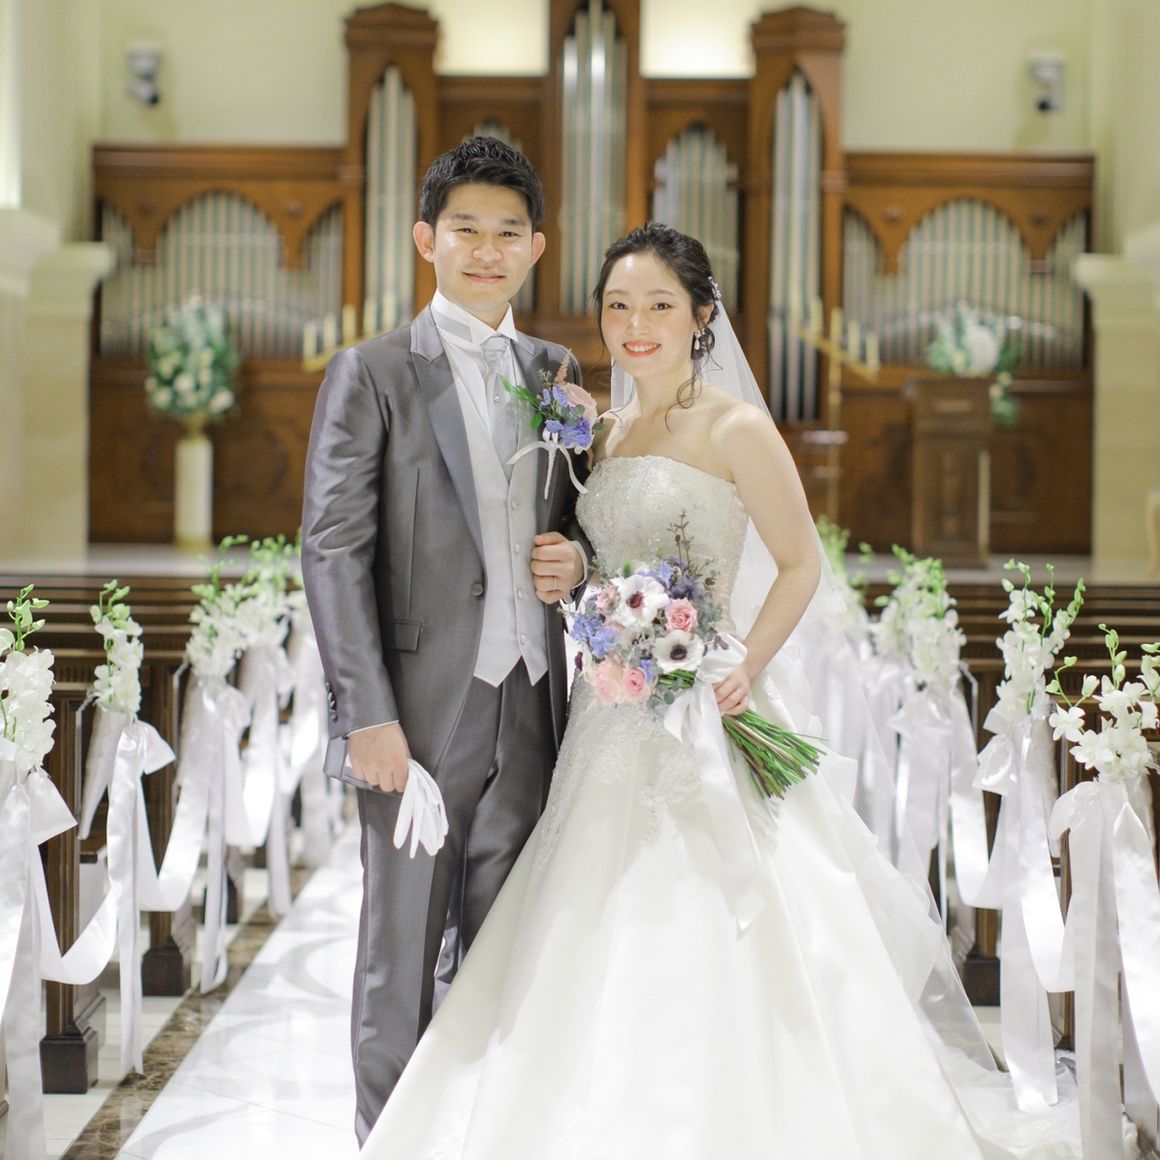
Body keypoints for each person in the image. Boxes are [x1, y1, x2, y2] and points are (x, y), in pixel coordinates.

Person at [358, 224, 1084, 1159]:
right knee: (585, 916)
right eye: (618, 306)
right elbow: (599, 558)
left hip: (708, 703)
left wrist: (745, 663)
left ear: (702, 317)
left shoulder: (738, 427)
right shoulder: (601, 432)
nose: (636, 325)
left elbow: (800, 563)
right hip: (608, 712)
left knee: (715, 913)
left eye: (659, 305)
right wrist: (578, 567)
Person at [300, 137, 588, 1145]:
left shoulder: (556, 372)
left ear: (537, 247)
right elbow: (332, 550)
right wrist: (366, 714)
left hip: (533, 703)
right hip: (418, 715)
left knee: (507, 948)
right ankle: (386, 1140)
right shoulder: (373, 372)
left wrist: (577, 561)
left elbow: (578, 520)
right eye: (466, 229)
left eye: (508, 232)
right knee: (400, 947)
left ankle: (482, 1133)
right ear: (427, 238)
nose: (487, 250)